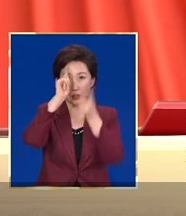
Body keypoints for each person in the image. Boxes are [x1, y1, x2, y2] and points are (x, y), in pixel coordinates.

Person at [22, 44, 125, 186]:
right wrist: (56, 101)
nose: (75, 86)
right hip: (54, 194)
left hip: (93, 194)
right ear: (58, 81)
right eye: (68, 78)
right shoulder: (49, 112)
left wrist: (93, 118)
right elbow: (32, 140)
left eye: (81, 77)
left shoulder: (107, 115)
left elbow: (114, 156)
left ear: (92, 81)